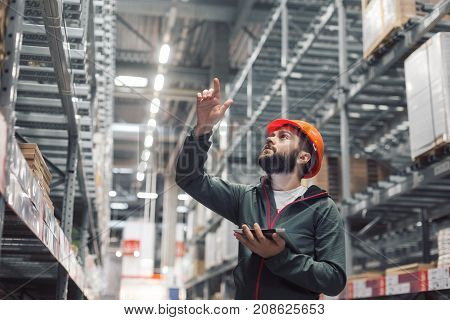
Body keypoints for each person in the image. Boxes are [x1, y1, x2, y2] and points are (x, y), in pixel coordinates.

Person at [175, 78, 346, 300]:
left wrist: (279, 256)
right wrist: (203, 129)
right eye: (272, 135)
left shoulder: (322, 208)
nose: (270, 138)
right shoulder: (245, 198)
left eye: (283, 137)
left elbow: (334, 280)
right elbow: (189, 178)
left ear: (304, 157)